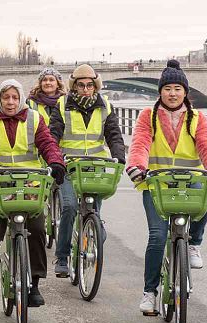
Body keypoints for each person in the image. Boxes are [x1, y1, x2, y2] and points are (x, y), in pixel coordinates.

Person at [126, 60, 207, 314]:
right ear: (160, 92)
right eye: (168, 88)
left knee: (204, 194)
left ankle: (194, 242)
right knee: (158, 236)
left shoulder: (197, 118)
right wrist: (136, 167)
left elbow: (206, 146)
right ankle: (149, 292)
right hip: (156, 183)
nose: (172, 93)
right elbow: (140, 144)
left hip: (188, 179)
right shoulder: (147, 117)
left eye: (177, 88)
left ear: (185, 92)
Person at [0, 79, 66, 307]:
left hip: (30, 180)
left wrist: (56, 162)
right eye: (6, 97)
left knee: (38, 228)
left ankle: (35, 284)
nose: (10, 102)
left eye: (14, 97)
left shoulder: (34, 118)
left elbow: (48, 143)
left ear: (21, 98)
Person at [49, 64, 126, 278]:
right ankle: (62, 257)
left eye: (89, 85)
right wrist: (54, 158)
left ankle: (94, 228)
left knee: (94, 210)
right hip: (69, 166)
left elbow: (114, 134)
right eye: (81, 85)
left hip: (95, 166)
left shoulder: (106, 106)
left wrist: (119, 156)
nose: (85, 89)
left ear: (95, 86)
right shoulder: (62, 104)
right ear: (74, 86)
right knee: (69, 207)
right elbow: (53, 134)